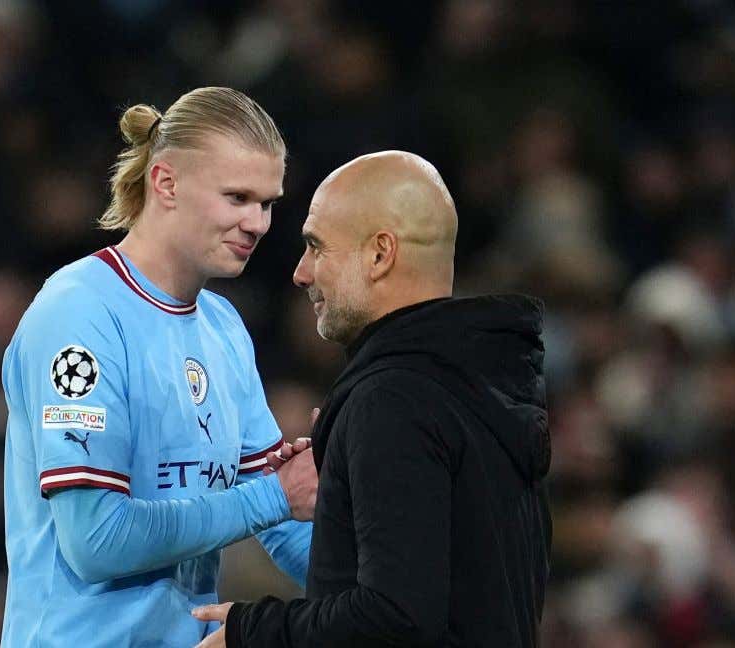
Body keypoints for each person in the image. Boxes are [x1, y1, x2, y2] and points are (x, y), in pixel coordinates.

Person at [0, 87, 317, 647]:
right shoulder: (80, 312)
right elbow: (95, 539)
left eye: (267, 203)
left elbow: (285, 522)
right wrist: (274, 497)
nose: (258, 223)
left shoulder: (222, 327)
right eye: (238, 197)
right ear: (166, 183)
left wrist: (386, 599)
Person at [193, 151, 552, 647]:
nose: (301, 273)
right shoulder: (482, 389)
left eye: (317, 248)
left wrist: (251, 633)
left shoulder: (391, 400)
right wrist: (345, 501)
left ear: (381, 254)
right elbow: (454, 591)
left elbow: (395, 616)